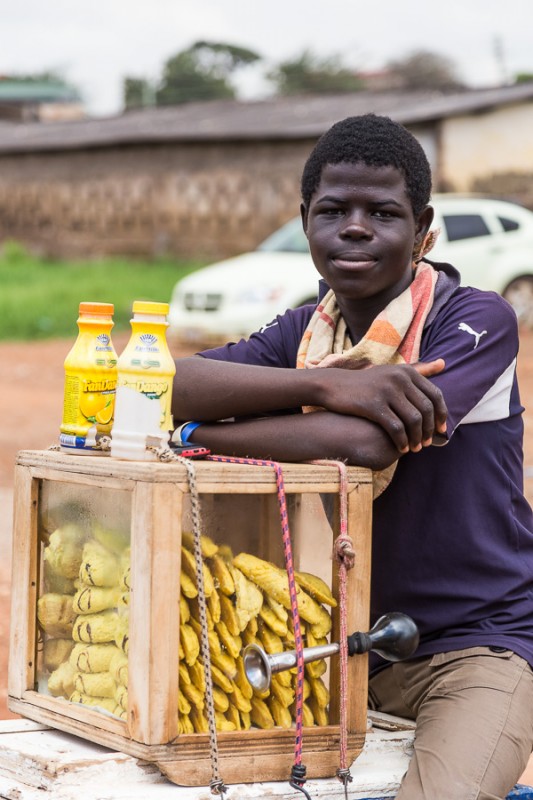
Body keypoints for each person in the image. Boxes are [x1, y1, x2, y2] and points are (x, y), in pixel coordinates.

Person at [172, 114, 533, 799]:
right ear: (306, 220)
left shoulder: (473, 321)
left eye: (383, 213)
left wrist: (199, 437)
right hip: (343, 646)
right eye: (334, 210)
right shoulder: (311, 334)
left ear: (423, 229)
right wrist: (326, 383)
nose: (356, 227)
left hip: (478, 646)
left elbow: (366, 445)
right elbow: (173, 383)